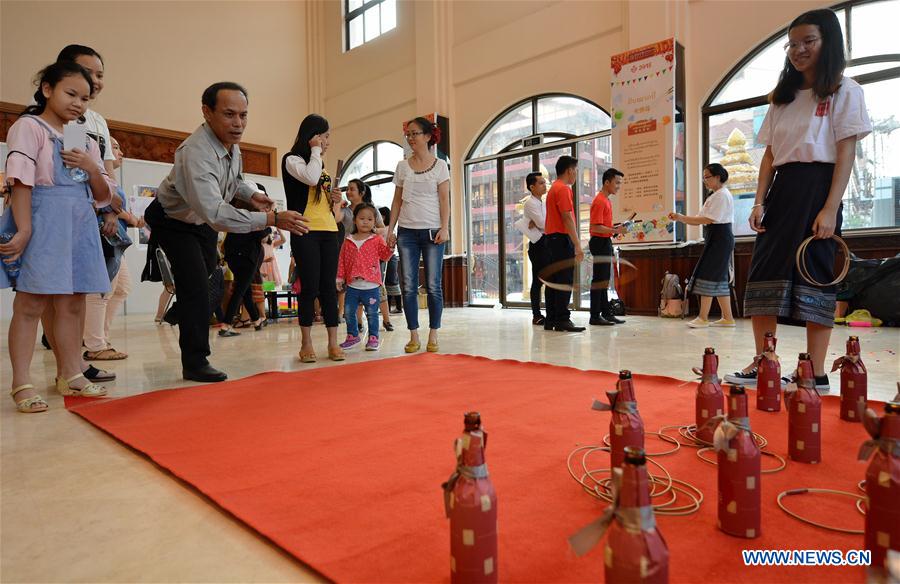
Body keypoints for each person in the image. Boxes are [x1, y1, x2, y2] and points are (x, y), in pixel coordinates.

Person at [724, 8, 871, 393]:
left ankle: (815, 373)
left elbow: (846, 153)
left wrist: (830, 208)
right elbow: (770, 155)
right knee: (763, 274)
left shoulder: (845, 90)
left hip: (819, 188)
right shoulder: (782, 97)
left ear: (828, 42)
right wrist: (758, 202)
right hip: (782, 190)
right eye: (792, 44)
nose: (798, 50)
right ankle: (765, 362)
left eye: (809, 41)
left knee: (815, 275)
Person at [145, 82, 308, 382]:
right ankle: (195, 361)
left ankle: (182, 304)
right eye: (229, 114)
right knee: (196, 285)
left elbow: (233, 181)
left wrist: (250, 195)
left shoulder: (232, 146)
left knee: (209, 274)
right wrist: (272, 218)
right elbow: (216, 213)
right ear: (207, 112)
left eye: (243, 115)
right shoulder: (195, 152)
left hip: (200, 222)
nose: (238, 123)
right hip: (173, 220)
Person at [1, 61, 117, 412]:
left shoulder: (81, 135)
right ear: (47, 89)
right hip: (44, 221)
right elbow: (21, 182)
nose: (78, 103)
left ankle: (71, 373)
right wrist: (24, 229)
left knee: (73, 303)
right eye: (71, 94)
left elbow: (103, 195)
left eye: (85, 98)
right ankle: (21, 382)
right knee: (31, 304)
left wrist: (92, 167)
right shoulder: (29, 127)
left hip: (79, 224)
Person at [282, 114, 345, 363]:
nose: (328, 142)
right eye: (325, 136)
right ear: (314, 136)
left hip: (329, 231)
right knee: (309, 287)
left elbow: (328, 207)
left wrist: (335, 199)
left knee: (329, 287)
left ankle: (333, 342)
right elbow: (310, 178)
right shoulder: (292, 160)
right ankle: (306, 343)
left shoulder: (320, 165)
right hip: (305, 230)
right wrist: (316, 150)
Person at [386, 117, 450, 353]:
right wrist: (390, 229)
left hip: (433, 231)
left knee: (433, 285)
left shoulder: (440, 166)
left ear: (428, 136)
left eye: (415, 133)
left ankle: (433, 333)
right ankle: (413, 335)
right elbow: (396, 201)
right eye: (408, 134)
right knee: (408, 285)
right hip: (406, 232)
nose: (411, 138)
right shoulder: (402, 166)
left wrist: (445, 227)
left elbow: (444, 199)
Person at [83, 137, 144, 359]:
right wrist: (131, 218)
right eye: (115, 147)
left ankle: (98, 336)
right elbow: (102, 203)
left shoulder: (110, 178)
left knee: (121, 288)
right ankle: (95, 343)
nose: (120, 153)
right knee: (101, 290)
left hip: (116, 241)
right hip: (104, 237)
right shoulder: (96, 175)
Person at [669, 163, 736, 328]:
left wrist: (681, 217)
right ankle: (728, 318)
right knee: (719, 277)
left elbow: (707, 219)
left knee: (709, 275)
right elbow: (699, 219)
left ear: (718, 177)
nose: (705, 180)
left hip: (720, 238)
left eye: (707, 177)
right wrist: (680, 218)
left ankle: (703, 317)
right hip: (716, 237)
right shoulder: (715, 195)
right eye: (704, 177)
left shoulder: (721, 195)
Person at [337, 203, 396, 351]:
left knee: (372, 314)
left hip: (372, 286)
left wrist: (390, 247)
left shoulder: (376, 239)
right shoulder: (348, 240)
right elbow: (342, 261)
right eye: (362, 218)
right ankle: (352, 336)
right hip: (352, 286)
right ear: (354, 220)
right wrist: (339, 278)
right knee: (348, 312)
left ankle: (373, 338)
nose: (365, 222)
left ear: (374, 221)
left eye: (370, 219)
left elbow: (385, 256)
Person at [541, 156, 585, 332]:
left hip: (550, 239)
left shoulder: (553, 188)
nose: (576, 174)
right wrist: (577, 244)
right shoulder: (564, 189)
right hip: (561, 239)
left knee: (553, 281)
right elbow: (567, 218)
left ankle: (551, 319)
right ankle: (562, 319)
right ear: (569, 170)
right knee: (564, 280)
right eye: (576, 170)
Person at [589, 168, 628, 326]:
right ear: (607, 182)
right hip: (599, 242)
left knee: (604, 280)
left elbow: (603, 226)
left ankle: (606, 313)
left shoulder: (606, 200)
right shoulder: (599, 201)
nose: (619, 186)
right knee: (599, 280)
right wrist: (616, 230)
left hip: (605, 241)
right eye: (617, 183)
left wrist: (615, 229)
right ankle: (594, 316)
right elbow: (595, 227)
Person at [522, 172, 548, 325]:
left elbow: (543, 223)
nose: (545, 185)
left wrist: (540, 223)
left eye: (544, 182)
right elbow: (543, 223)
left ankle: (547, 313)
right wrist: (540, 224)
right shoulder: (530, 203)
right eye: (541, 183)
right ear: (532, 187)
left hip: (545, 241)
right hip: (538, 244)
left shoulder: (542, 202)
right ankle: (536, 315)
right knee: (538, 281)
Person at [380, 206, 402, 315]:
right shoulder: (386, 228)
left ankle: (398, 307)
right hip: (384, 257)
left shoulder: (388, 229)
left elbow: (377, 231)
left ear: (384, 216)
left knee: (392, 281)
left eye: (380, 216)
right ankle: (387, 308)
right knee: (386, 282)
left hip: (391, 257)